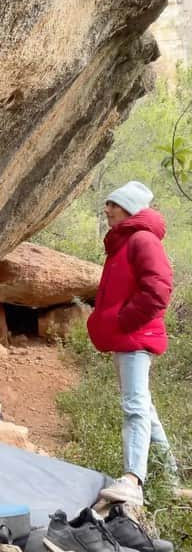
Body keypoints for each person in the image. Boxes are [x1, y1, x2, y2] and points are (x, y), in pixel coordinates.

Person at [87, 180, 177, 507]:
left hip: (135, 337)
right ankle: (170, 480)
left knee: (134, 405)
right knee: (145, 408)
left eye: (112, 203)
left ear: (128, 208)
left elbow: (159, 289)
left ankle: (133, 481)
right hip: (127, 337)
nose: (107, 208)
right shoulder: (124, 242)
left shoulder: (141, 239)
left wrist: (123, 320)